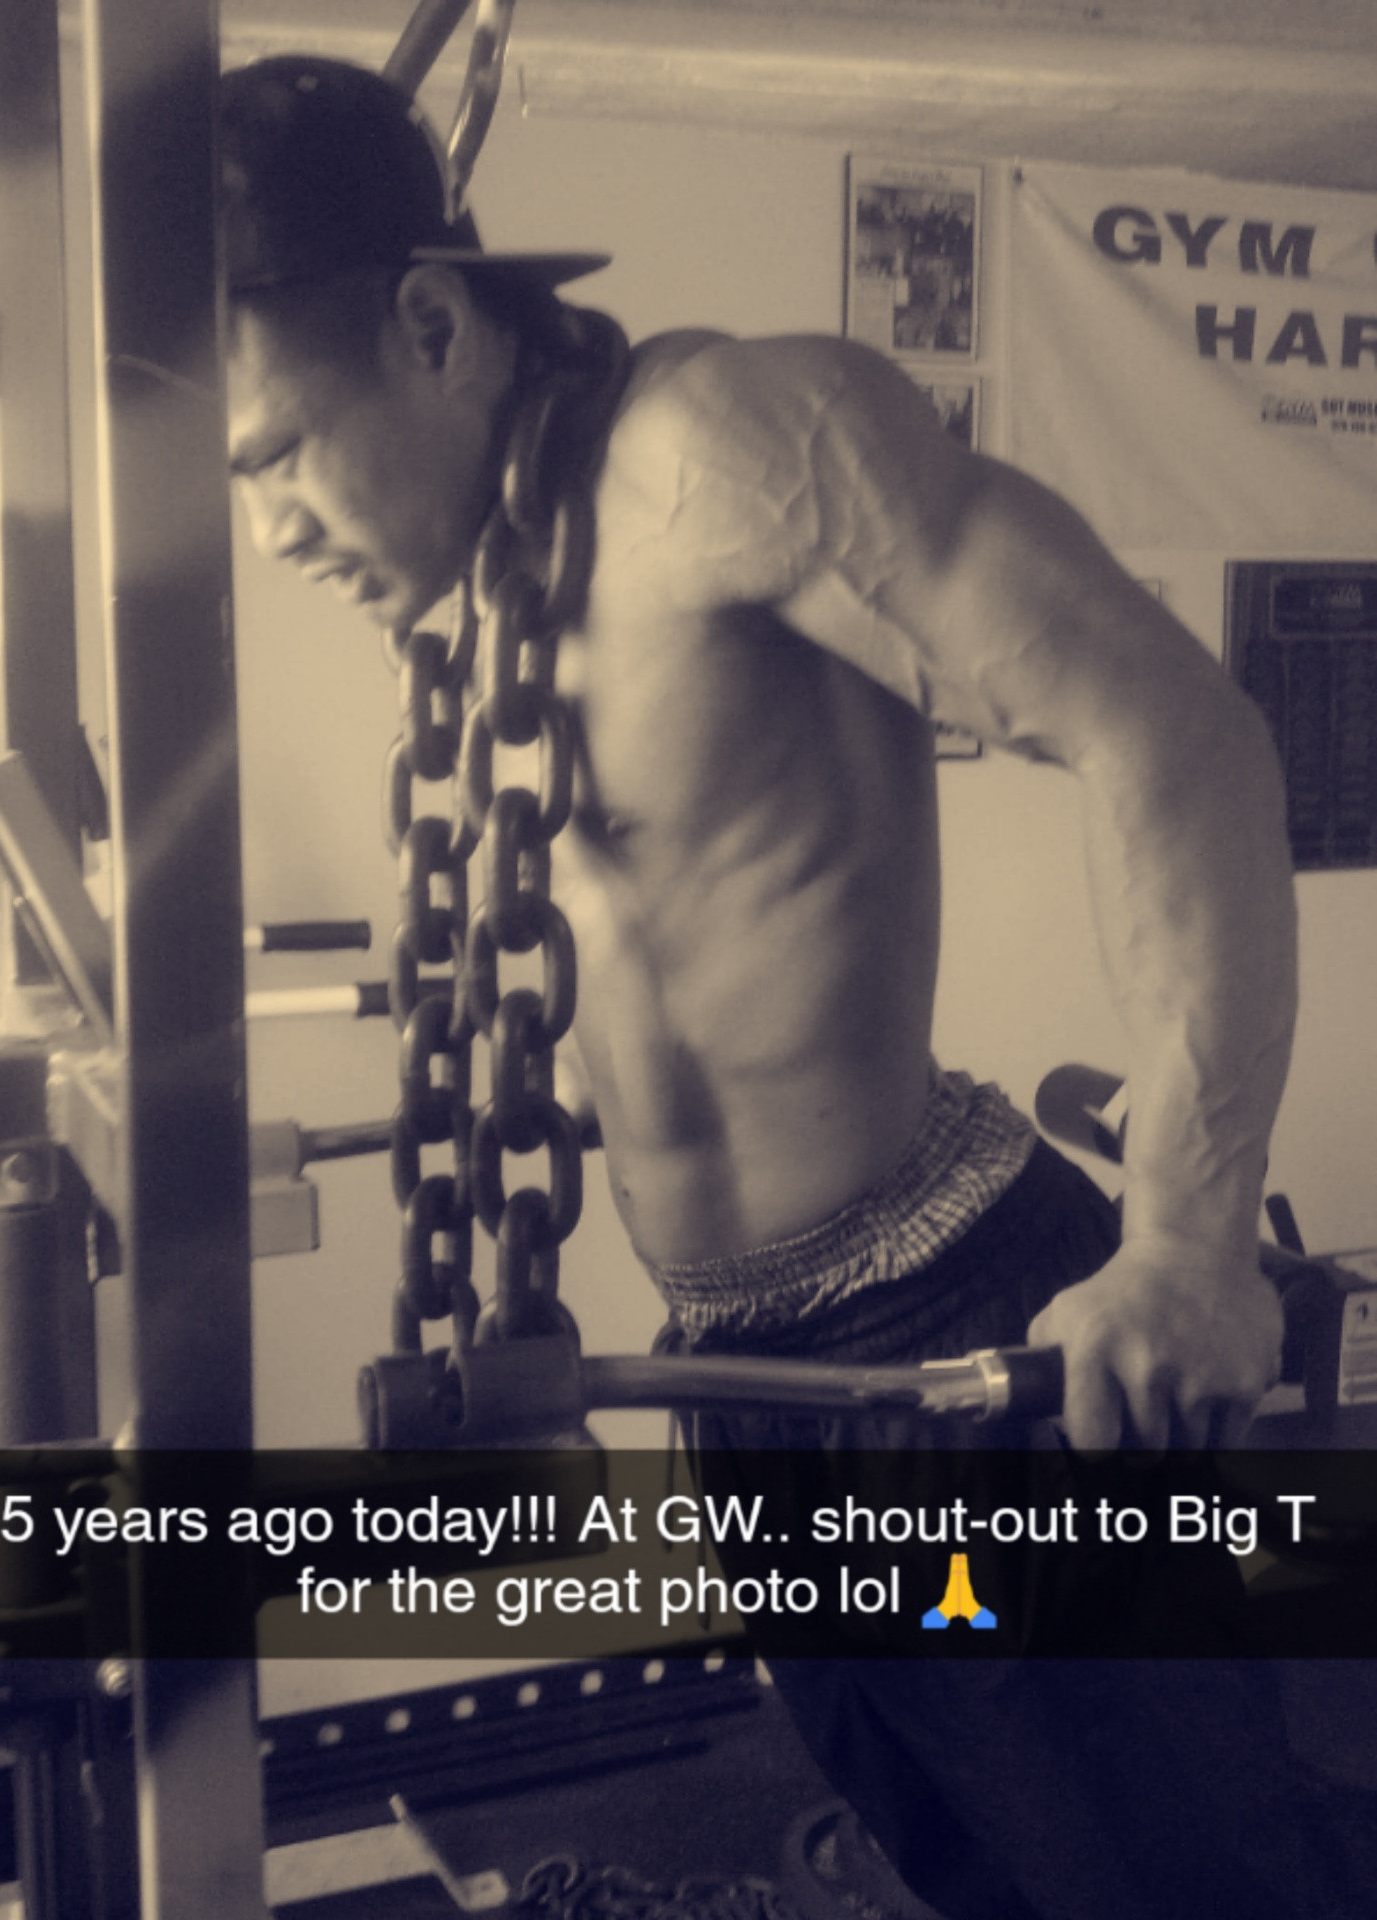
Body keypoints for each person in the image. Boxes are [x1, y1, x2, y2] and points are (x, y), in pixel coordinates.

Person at [220, 55, 1374, 1920]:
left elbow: (1180, 728)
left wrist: (1186, 1239)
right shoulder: (491, 588)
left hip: (962, 1361)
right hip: (745, 1389)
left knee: (1176, 1875)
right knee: (959, 1855)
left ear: (431, 324)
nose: (269, 525)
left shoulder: (724, 447)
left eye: (277, 453)